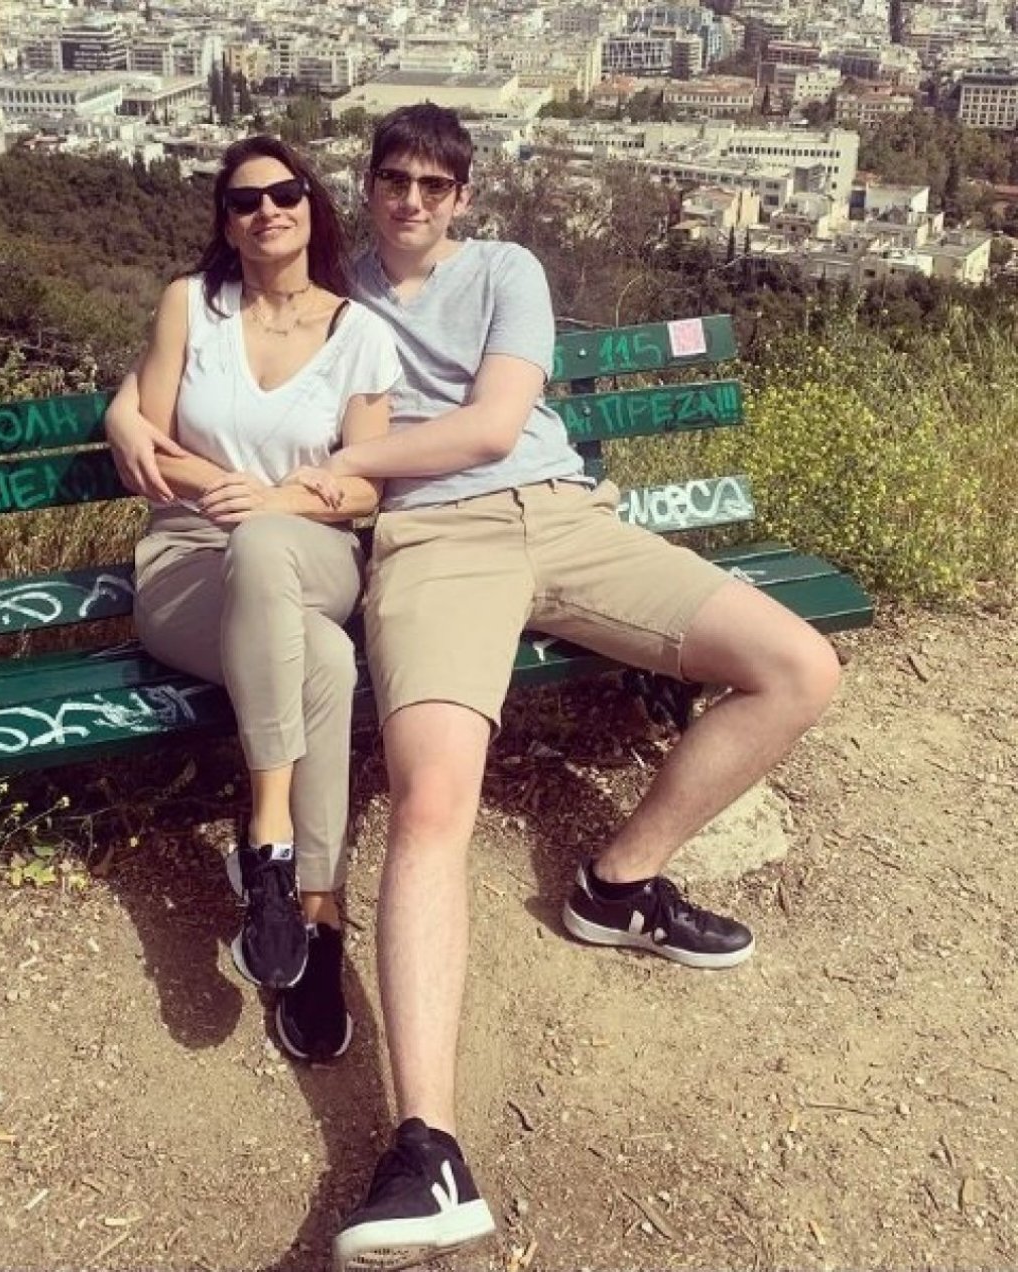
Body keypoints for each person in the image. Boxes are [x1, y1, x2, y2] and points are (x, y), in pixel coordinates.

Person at [115, 106, 842, 1272]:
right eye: (392, 179)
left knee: (799, 667)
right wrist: (133, 411)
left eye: (434, 183)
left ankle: (619, 882)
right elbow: (205, 352)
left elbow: (498, 425)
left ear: (461, 195)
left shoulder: (505, 269)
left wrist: (340, 464)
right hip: (433, 547)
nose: (411, 200)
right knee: (432, 804)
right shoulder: (337, 293)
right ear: (365, 189)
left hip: (561, 515)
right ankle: (428, 1147)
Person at [105, 134, 400, 1066]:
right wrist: (144, 429)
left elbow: (366, 488)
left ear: (312, 205)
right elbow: (150, 439)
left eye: (284, 193)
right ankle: (316, 913)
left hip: (311, 553)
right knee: (326, 661)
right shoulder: (190, 306)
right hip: (189, 560)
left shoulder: (359, 334)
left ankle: (266, 837)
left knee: (270, 543)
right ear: (226, 225)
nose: (267, 209)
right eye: (244, 201)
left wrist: (275, 502)